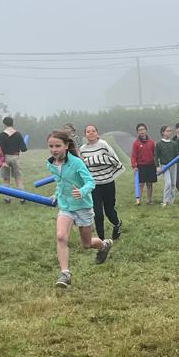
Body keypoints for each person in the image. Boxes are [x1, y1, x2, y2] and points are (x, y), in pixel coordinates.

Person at [46, 129, 112, 288]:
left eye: (57, 146)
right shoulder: (51, 164)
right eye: (51, 146)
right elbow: (60, 182)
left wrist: (82, 191)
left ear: (66, 145)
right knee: (61, 237)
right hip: (66, 206)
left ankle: (104, 245)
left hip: (82, 207)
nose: (54, 150)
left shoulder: (76, 162)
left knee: (87, 244)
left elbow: (90, 182)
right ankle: (65, 274)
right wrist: (56, 194)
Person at [81, 123, 125, 241]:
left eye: (93, 131)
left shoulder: (103, 145)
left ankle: (117, 224)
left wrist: (91, 160)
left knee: (109, 210)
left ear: (97, 133)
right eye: (88, 131)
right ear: (85, 135)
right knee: (97, 213)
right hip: (94, 185)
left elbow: (114, 160)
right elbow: (83, 167)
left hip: (108, 183)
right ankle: (101, 240)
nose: (91, 133)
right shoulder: (83, 150)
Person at [0, 116, 28, 197]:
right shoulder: (18, 134)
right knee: (18, 178)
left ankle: (7, 198)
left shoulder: (2, 135)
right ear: (13, 123)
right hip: (15, 157)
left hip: (5, 158)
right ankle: (22, 197)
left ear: (4, 124)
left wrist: (2, 161)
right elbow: (24, 149)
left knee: (6, 179)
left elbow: (1, 149)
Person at [131, 122, 157, 204]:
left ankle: (149, 200)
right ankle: (138, 200)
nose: (142, 131)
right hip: (140, 166)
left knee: (149, 184)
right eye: (140, 130)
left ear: (146, 130)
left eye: (143, 129)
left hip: (150, 165)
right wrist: (134, 166)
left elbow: (155, 154)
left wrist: (156, 164)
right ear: (137, 132)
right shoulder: (136, 143)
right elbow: (133, 156)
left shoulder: (151, 142)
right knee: (141, 184)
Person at [156, 124, 179, 206]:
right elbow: (156, 156)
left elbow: (176, 156)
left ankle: (171, 201)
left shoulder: (174, 143)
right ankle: (165, 201)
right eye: (167, 131)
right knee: (168, 183)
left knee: (173, 184)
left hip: (173, 166)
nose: (169, 132)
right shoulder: (159, 144)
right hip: (164, 166)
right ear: (163, 132)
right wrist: (157, 166)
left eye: (170, 131)